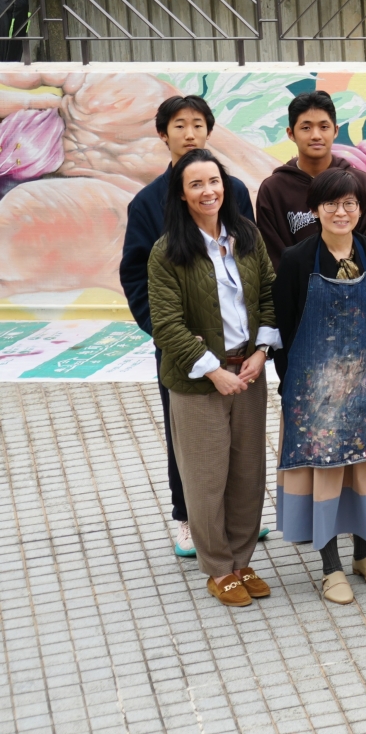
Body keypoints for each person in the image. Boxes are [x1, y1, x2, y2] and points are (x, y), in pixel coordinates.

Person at [120, 94, 257, 560]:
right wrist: (163, 332)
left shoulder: (233, 191)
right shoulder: (147, 202)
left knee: (239, 445)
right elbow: (135, 274)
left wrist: (259, 336)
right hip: (184, 343)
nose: (189, 132)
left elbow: (253, 265)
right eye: (179, 125)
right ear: (163, 134)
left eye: (198, 123)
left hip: (237, 344)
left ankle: (233, 523)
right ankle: (186, 516)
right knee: (190, 439)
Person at [147, 149, 279, 607]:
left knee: (247, 472)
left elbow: (268, 293)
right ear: (182, 196)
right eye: (197, 185)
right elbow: (166, 325)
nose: (209, 191)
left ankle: (242, 560)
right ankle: (218, 568)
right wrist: (213, 370)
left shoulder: (246, 235)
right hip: (200, 381)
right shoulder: (168, 252)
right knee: (205, 478)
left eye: (215, 181)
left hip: (249, 370)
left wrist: (262, 351)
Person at [272, 169, 366, 605]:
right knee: (324, 472)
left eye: (350, 204)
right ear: (315, 209)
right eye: (331, 203)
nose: (341, 212)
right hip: (315, 393)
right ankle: (330, 567)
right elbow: (285, 330)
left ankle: (365, 554)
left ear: (361, 210)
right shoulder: (296, 260)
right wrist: (295, 390)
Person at [256, 91, 366, 261]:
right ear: (291, 133)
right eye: (306, 127)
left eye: (324, 127)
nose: (316, 135)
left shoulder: (360, 183)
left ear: (335, 131)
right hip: (296, 285)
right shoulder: (273, 190)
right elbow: (274, 257)